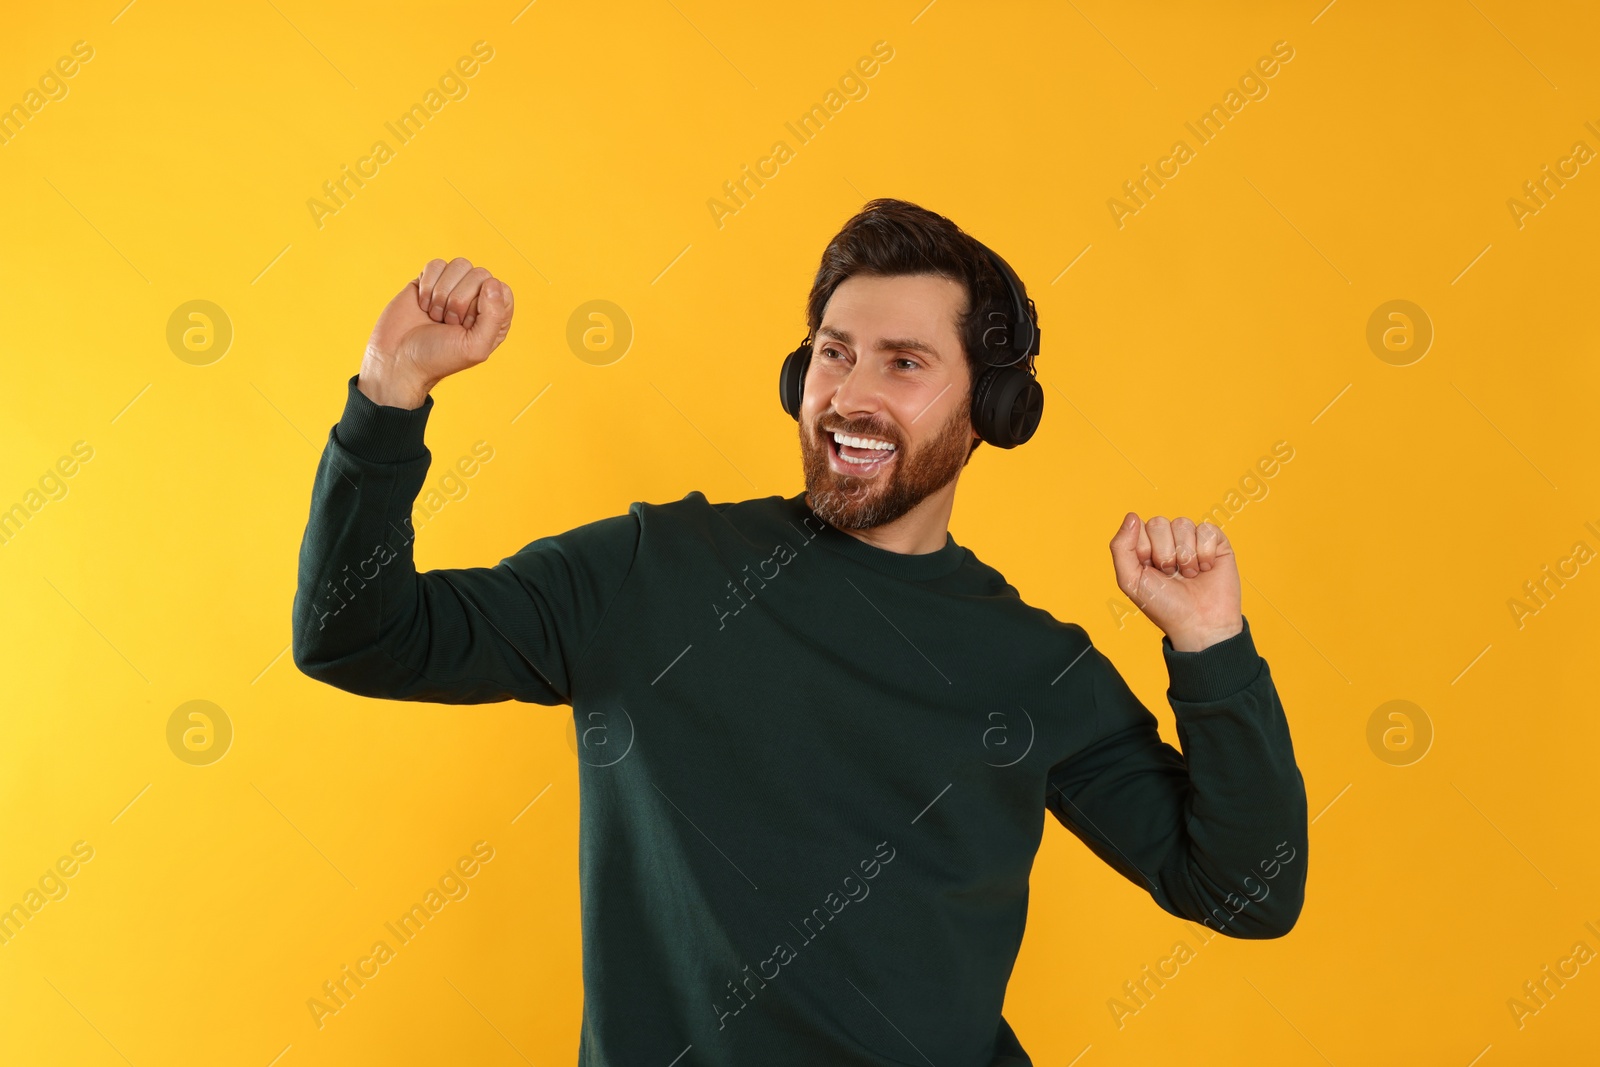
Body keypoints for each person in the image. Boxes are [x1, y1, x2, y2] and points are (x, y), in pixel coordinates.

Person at [292, 198, 1307, 1066]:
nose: (849, 395)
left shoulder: (1034, 665)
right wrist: (390, 390)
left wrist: (1211, 646)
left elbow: (1245, 892)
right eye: (833, 353)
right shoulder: (651, 571)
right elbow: (354, 634)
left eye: (903, 362)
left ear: (992, 406)